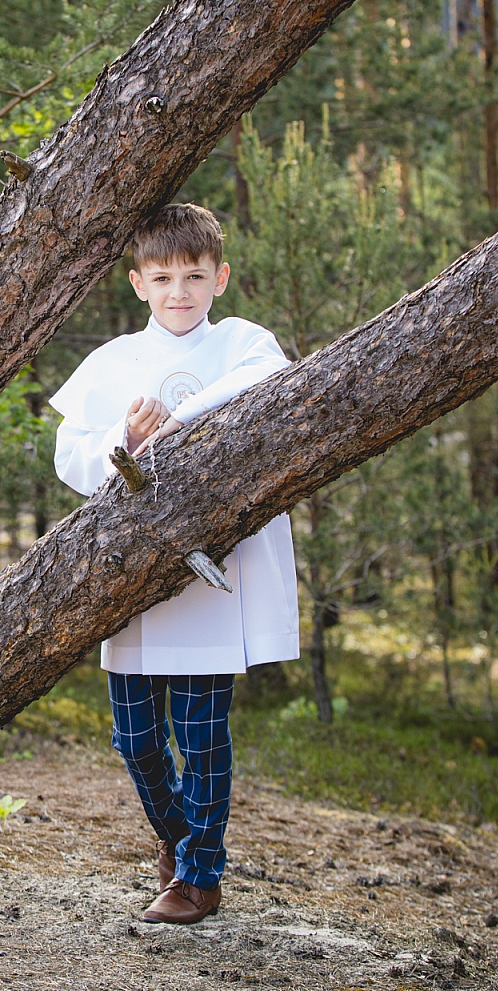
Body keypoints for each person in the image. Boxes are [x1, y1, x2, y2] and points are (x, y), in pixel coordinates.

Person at [48, 202, 300, 925]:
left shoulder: (245, 343)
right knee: (134, 740)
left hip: (212, 578)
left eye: (194, 275)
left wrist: (179, 423)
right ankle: (180, 837)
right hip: (134, 575)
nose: (179, 292)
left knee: (201, 737)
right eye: (162, 278)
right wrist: (124, 438)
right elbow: (70, 454)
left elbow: (268, 383)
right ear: (138, 284)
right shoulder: (114, 360)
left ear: (220, 277)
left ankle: (199, 877)